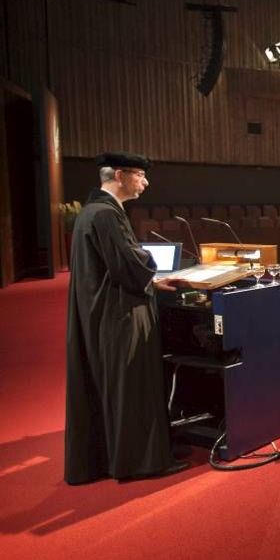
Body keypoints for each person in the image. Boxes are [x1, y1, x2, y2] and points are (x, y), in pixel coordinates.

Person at [65, 152, 188, 484]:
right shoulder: (107, 215)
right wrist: (150, 270)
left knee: (113, 388)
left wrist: (149, 278)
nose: (145, 182)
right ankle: (142, 462)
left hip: (100, 314)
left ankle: (113, 458)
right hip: (120, 315)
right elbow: (131, 265)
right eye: (141, 175)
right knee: (133, 386)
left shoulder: (90, 212)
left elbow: (114, 265)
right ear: (120, 174)